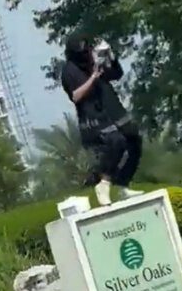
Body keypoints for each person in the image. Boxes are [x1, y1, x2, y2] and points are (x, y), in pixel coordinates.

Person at [61, 31, 144, 206]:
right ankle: (104, 184)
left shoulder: (94, 60)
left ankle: (123, 184)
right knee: (116, 142)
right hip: (93, 117)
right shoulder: (69, 70)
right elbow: (76, 96)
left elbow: (116, 74)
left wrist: (110, 57)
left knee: (134, 140)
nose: (86, 53)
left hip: (113, 109)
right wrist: (93, 77)